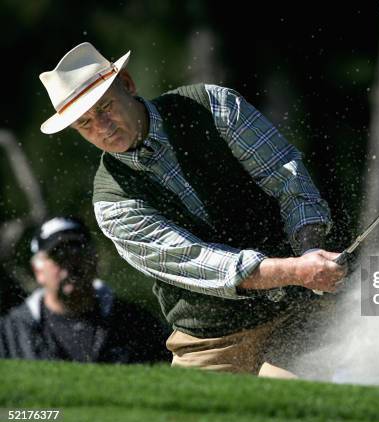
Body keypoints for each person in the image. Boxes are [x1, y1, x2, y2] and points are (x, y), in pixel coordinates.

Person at [37, 42, 345, 377]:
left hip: (299, 309)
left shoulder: (213, 105)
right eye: (85, 123)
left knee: (284, 394)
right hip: (210, 340)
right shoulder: (113, 204)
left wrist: (311, 249)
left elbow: (289, 181)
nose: (102, 127)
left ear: (127, 84)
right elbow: (208, 266)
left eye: (106, 107)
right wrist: (298, 270)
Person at [0, 216, 169, 363]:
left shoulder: (136, 324)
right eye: (57, 255)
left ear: (95, 259)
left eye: (77, 252)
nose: (70, 265)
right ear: (38, 270)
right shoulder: (11, 333)